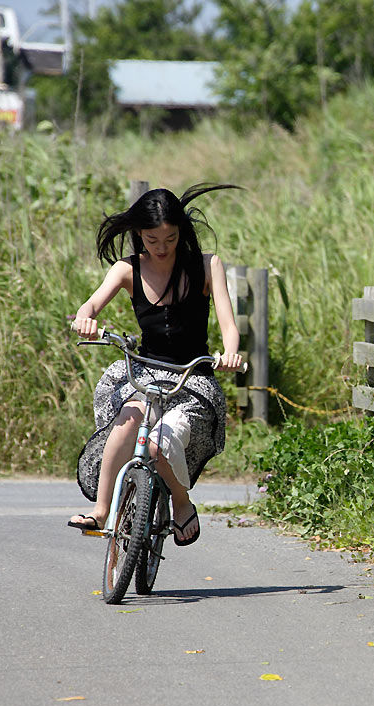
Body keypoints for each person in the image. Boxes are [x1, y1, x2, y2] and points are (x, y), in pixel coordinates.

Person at [68, 184, 244, 547]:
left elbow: (229, 324)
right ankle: (102, 511)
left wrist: (231, 353)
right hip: (145, 374)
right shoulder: (125, 270)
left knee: (158, 446)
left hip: (191, 379)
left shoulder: (207, 265)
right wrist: (84, 319)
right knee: (126, 424)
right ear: (138, 235)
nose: (161, 248)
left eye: (170, 238)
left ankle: (181, 504)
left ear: (182, 232)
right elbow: (89, 307)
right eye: (152, 239)